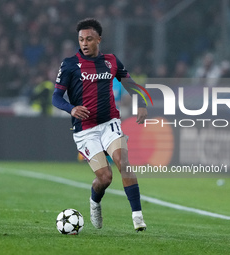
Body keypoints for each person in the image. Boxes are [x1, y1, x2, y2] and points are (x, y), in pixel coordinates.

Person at [52, 18, 147, 231]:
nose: (84, 43)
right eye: (81, 40)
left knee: (124, 162)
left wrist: (141, 103)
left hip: (109, 123)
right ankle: (95, 201)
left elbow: (130, 83)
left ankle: (138, 217)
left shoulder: (111, 61)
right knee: (105, 177)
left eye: (88, 39)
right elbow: (56, 98)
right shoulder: (69, 64)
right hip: (85, 130)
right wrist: (71, 108)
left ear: (98, 40)